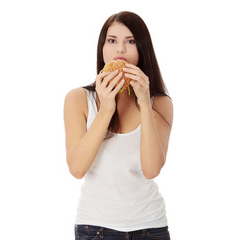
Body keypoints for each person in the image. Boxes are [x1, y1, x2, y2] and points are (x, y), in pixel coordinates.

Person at [63, 11, 173, 240]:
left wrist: (144, 101)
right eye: (112, 41)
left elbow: (151, 169)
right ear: (102, 49)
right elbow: (76, 168)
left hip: (150, 227)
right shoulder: (78, 99)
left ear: (142, 49)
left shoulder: (160, 103)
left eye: (130, 41)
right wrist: (106, 109)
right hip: (94, 228)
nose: (120, 50)